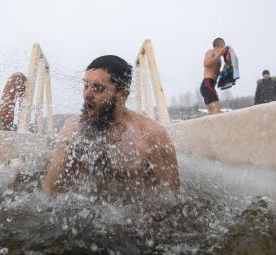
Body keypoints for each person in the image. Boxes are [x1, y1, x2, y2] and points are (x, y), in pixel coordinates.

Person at [42, 55, 180, 200]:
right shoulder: (72, 128)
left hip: (130, 214)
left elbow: (172, 198)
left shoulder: (152, 135)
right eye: (86, 85)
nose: (87, 95)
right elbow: (48, 191)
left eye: (98, 88)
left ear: (122, 95)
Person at [200, 38, 227, 115]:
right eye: (223, 47)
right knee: (216, 110)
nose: (224, 49)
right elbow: (206, 63)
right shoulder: (210, 52)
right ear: (219, 46)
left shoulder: (218, 58)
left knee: (212, 113)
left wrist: (223, 73)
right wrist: (219, 54)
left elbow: (215, 72)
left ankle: (211, 126)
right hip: (207, 84)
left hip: (210, 85)